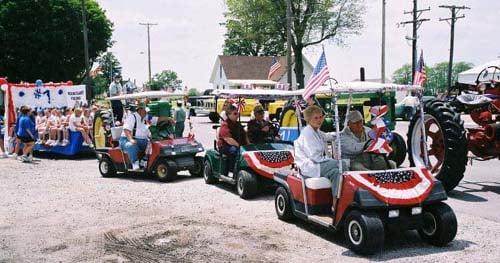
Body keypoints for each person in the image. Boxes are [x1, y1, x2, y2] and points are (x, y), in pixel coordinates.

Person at [294, 105, 350, 210]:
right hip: (311, 166)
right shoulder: (308, 133)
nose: (319, 120)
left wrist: (342, 132)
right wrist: (333, 161)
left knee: (336, 173)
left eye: (320, 117)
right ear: (309, 119)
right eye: (316, 118)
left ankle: (335, 202)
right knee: (343, 164)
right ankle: (344, 198)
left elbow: (327, 136)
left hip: (317, 164)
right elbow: (315, 157)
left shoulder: (315, 130)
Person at [119, 102, 150, 170]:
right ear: (140, 110)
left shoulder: (144, 118)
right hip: (125, 139)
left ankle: (144, 160)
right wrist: (130, 139)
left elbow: (153, 123)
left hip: (140, 140)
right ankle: (135, 163)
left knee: (151, 143)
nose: (147, 113)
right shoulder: (132, 117)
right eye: (146, 111)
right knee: (131, 145)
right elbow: (126, 129)